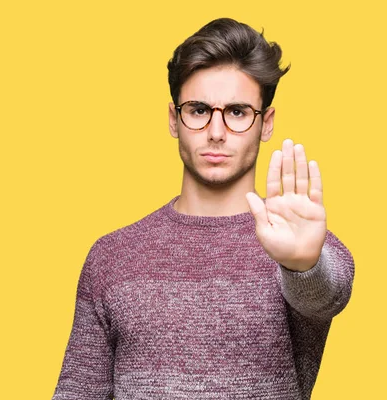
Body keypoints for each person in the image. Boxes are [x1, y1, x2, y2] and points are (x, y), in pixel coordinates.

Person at [51, 18, 354, 400]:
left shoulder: (300, 247)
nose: (216, 131)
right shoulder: (111, 256)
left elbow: (327, 293)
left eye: (238, 112)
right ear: (174, 119)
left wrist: (302, 266)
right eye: (198, 110)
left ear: (266, 123)